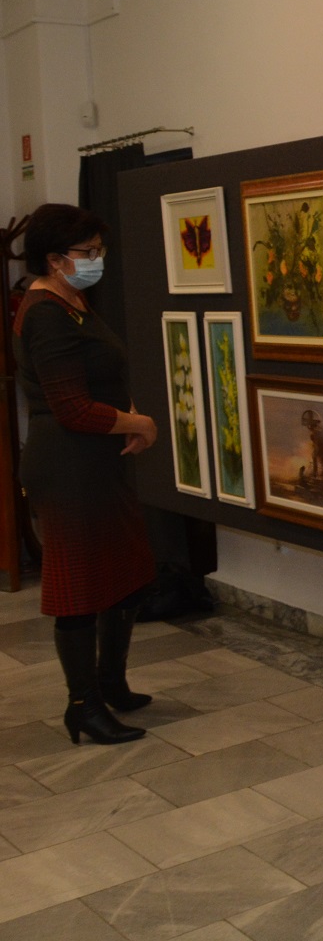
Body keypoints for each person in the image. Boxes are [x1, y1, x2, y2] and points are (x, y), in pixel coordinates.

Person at [14, 204, 160, 745]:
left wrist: (127, 413)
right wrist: (140, 422)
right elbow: (72, 407)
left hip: (99, 460)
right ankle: (84, 706)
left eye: (100, 249)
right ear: (55, 259)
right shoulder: (45, 313)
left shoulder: (73, 300)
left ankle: (110, 682)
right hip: (68, 466)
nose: (98, 259)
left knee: (127, 575)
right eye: (88, 252)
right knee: (78, 590)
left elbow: (101, 375)